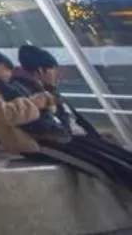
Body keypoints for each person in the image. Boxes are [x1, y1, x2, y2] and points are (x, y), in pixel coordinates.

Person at [9, 45, 132, 189]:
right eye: (53, 70)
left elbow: (71, 118)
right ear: (40, 70)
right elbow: (43, 123)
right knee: (111, 166)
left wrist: (93, 135)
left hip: (72, 138)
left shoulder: (44, 90)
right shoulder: (25, 91)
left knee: (121, 158)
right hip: (58, 142)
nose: (57, 75)